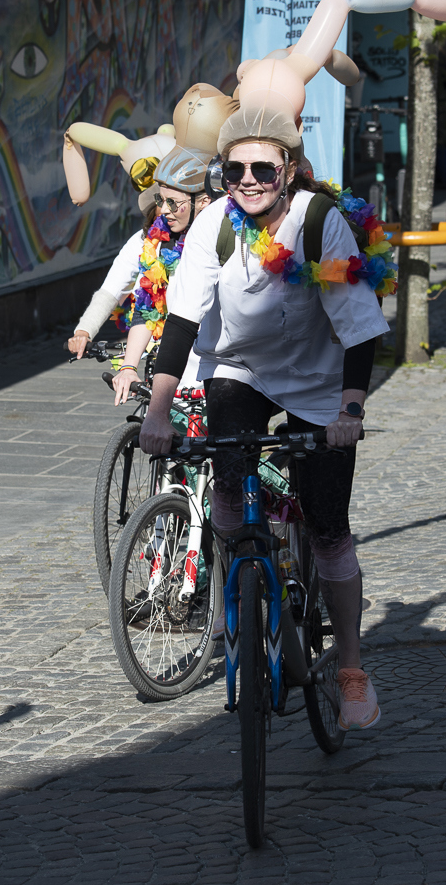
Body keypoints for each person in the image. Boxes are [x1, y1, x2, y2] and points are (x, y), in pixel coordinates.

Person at [139, 110, 391, 731]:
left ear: (289, 171)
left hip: (318, 378)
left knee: (329, 528)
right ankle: (241, 590)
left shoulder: (319, 224)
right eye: (235, 170)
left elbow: (359, 325)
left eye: (262, 169)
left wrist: (349, 411)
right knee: (227, 483)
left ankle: (351, 667)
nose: (248, 180)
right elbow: (182, 321)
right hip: (238, 368)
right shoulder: (214, 226)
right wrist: (158, 411)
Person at [107, 151, 214, 404]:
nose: (164, 210)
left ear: (204, 201)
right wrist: (128, 367)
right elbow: (147, 310)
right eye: (161, 200)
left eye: (173, 203)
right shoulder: (160, 243)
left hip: (223, 376)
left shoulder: (229, 239)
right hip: (175, 378)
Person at [65, 203, 157, 359]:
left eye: (172, 201)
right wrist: (83, 331)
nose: (167, 209)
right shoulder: (142, 240)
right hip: (150, 342)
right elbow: (110, 291)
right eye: (161, 201)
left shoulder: (196, 240)